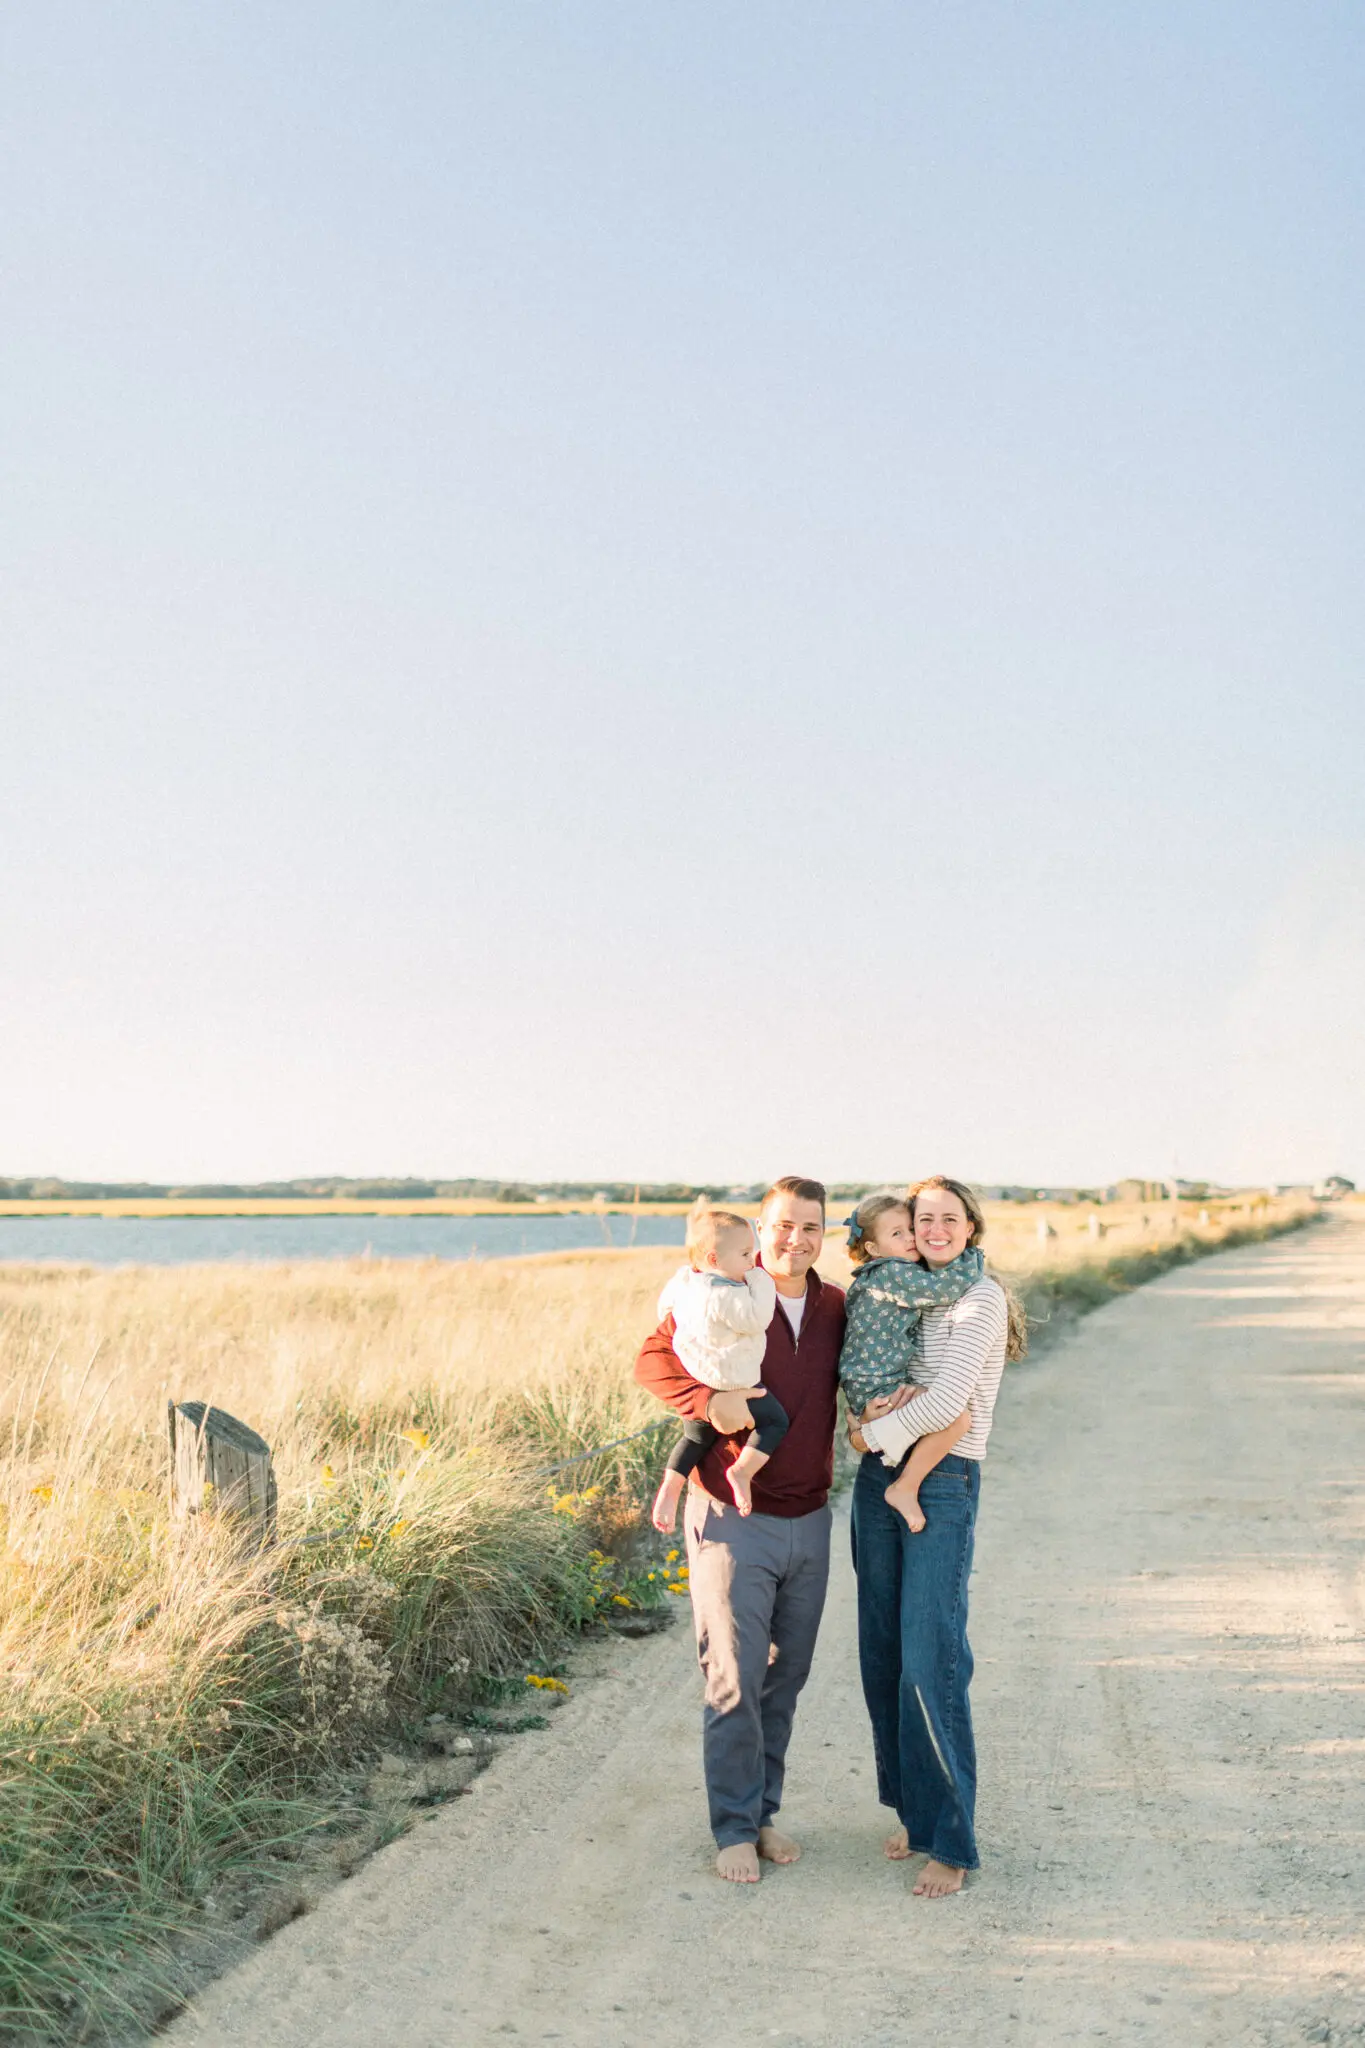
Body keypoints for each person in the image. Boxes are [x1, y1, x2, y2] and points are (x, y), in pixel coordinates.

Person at [635, 1175, 842, 1885]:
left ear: (823, 1234)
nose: (796, 1240)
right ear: (760, 1229)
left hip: (811, 1515)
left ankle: (761, 1814)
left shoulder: (835, 1306)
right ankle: (731, 1827)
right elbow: (650, 1360)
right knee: (733, 1672)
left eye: (811, 1227)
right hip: (730, 1517)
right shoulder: (715, 1291)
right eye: (784, 1226)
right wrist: (706, 1400)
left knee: (786, 1676)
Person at [848, 1176, 1023, 1898]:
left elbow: (951, 1401)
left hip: (942, 1483)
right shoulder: (908, 1287)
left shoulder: (979, 1298)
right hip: (877, 1481)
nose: (936, 1229)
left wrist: (867, 1434)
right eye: (924, 1219)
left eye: (950, 1218)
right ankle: (915, 1815)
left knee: (930, 1659)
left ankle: (950, 1841)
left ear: (970, 1226)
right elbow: (878, 1369)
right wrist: (871, 1423)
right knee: (883, 1654)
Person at [838, 1189, 984, 1532]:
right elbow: (943, 1288)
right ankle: (905, 1487)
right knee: (958, 1419)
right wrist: (972, 1257)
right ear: (873, 1248)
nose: (910, 1239)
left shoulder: (880, 1273)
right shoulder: (890, 1272)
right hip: (877, 1384)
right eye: (897, 1234)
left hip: (868, 1380)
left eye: (909, 1229)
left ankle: (897, 1473)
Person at [651, 1200, 785, 1530]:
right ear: (714, 1260)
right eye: (745, 1254)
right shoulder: (728, 1295)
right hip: (734, 1380)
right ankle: (742, 1472)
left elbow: (664, 1309)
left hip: (699, 1378)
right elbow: (757, 1319)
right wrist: (762, 1281)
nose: (752, 1261)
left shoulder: (685, 1282)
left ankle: (671, 1486)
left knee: (695, 1439)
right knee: (774, 1422)